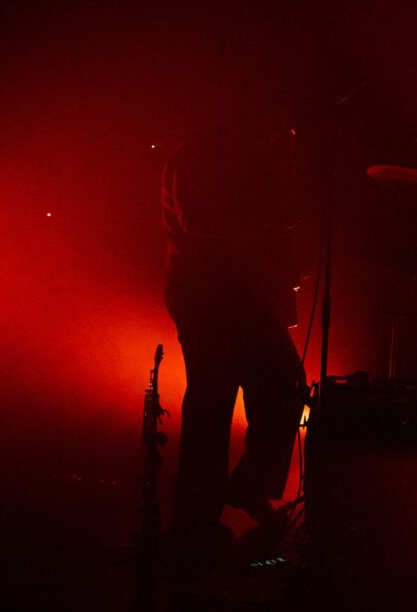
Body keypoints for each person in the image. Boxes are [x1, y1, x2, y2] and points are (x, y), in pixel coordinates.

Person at [160, 99, 308, 571]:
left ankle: (231, 496)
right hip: (207, 296)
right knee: (213, 403)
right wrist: (267, 225)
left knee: (279, 387)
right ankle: (196, 524)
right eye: (271, 121)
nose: (278, 131)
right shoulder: (196, 157)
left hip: (238, 297)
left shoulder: (246, 160)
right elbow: (199, 223)